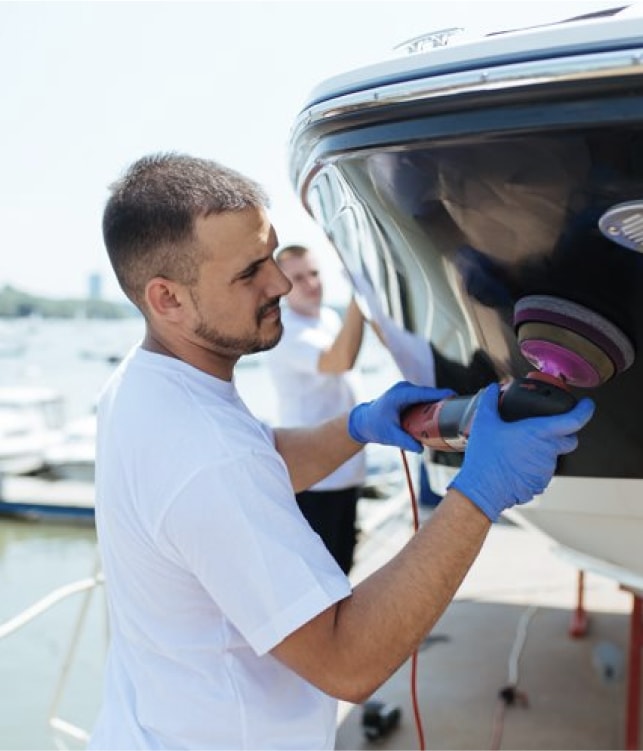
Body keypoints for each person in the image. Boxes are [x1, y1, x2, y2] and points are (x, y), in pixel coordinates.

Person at [88, 152, 595, 750]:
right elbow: (347, 661)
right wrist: (480, 493)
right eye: (250, 272)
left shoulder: (142, 386)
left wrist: (359, 426)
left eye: (272, 253)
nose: (279, 282)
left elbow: (258, 459)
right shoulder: (204, 453)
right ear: (167, 298)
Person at [266, 244, 366, 574]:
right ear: (282, 286)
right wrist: (362, 291)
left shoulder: (327, 317)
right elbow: (339, 360)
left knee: (344, 568)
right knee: (323, 578)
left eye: (314, 273)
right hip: (316, 479)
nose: (311, 283)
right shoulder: (286, 331)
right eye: (298, 278)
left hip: (347, 470)